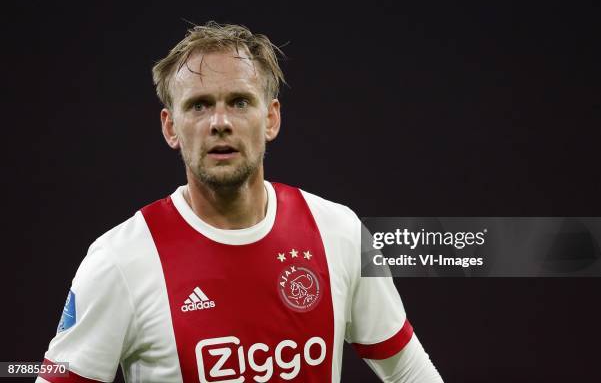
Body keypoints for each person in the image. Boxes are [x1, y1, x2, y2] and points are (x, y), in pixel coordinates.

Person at [38, 22, 443, 383]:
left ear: (271, 118)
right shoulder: (118, 261)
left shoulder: (341, 233)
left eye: (239, 101)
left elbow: (408, 370)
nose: (220, 122)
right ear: (171, 127)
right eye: (199, 105)